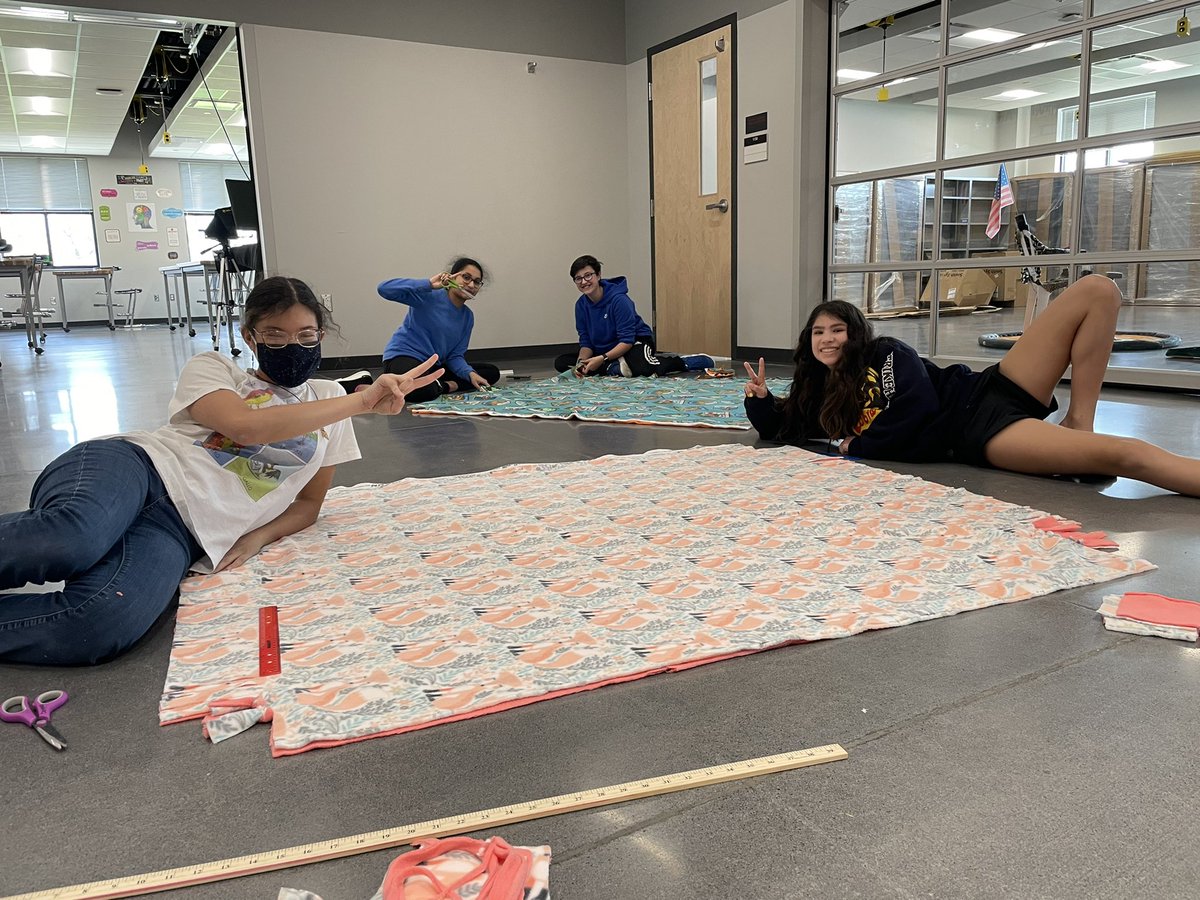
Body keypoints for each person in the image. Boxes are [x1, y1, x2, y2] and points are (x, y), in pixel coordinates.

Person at [0, 276, 443, 666]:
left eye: (306, 336)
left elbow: (309, 505)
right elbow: (243, 427)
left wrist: (254, 537)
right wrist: (362, 400)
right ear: (251, 338)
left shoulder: (328, 399)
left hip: (182, 532)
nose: (293, 347)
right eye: (275, 335)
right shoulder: (214, 367)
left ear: (321, 336)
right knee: (73, 537)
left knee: (101, 621)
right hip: (139, 468)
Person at [743, 274, 1200, 496]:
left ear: (855, 333)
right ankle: (1084, 441)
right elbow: (781, 430)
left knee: (1099, 289)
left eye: (837, 329)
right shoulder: (819, 394)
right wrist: (762, 402)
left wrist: (857, 445)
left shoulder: (885, 353)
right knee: (1126, 454)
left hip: (989, 388)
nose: (828, 338)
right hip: (980, 433)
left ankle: (1082, 420)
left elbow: (916, 406)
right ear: (809, 341)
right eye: (819, 332)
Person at [553, 255, 712, 377]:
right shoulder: (580, 306)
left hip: (634, 343)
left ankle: (684, 362)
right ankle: (615, 367)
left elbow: (627, 340)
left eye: (588, 276)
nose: (584, 282)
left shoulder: (619, 300)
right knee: (562, 363)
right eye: (578, 278)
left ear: (598, 275)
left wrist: (601, 358)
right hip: (603, 350)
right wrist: (581, 364)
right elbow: (586, 341)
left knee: (644, 369)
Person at [376, 257, 501, 403]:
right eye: (466, 277)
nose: (471, 284)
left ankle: (438, 386)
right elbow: (384, 289)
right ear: (452, 276)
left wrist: (469, 374)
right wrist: (428, 284)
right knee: (421, 390)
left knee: (491, 373)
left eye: (477, 281)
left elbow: (455, 356)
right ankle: (442, 386)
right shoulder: (428, 296)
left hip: (435, 366)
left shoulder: (468, 317)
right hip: (404, 357)